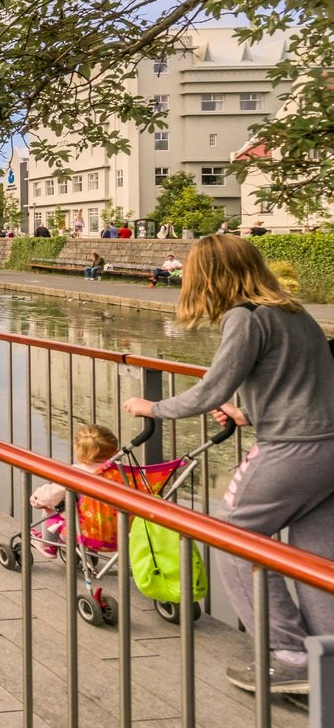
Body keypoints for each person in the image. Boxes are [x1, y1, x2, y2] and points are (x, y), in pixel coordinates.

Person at [123, 234, 334, 695]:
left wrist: (151, 408)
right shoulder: (293, 311)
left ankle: (290, 654)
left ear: (211, 276)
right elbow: (298, 384)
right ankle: (326, 655)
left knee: (233, 538)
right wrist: (248, 413)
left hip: (292, 449)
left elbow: (211, 388)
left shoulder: (245, 316)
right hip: (327, 447)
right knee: (315, 559)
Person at [28, 424, 119, 557]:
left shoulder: (76, 473)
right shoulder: (123, 474)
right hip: (120, 536)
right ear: (116, 451)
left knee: (52, 504)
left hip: (82, 533)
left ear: (77, 449)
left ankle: (48, 545)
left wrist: (36, 500)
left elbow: (48, 496)